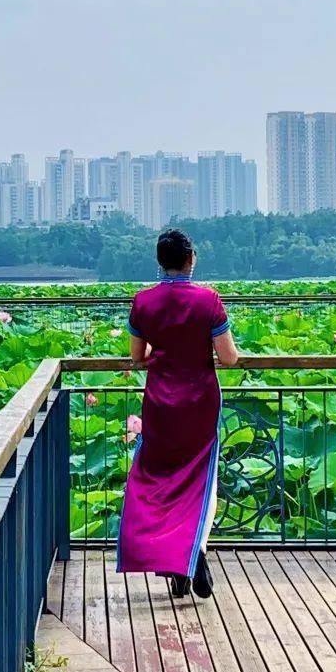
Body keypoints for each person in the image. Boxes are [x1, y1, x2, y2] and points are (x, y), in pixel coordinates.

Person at [117, 228, 240, 599]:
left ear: (160, 261)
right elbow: (229, 357)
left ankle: (176, 561)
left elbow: (137, 357)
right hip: (200, 403)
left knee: (160, 482)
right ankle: (196, 551)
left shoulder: (143, 302)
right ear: (191, 259)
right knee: (202, 480)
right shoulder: (209, 301)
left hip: (159, 403)